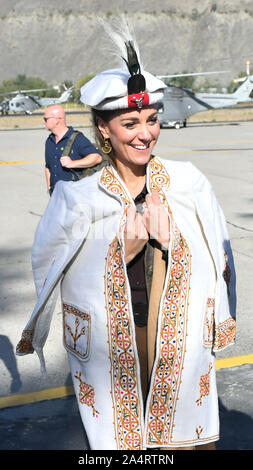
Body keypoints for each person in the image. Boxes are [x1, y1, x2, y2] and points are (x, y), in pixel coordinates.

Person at [16, 18, 236, 451]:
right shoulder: (76, 197)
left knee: (186, 439)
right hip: (110, 343)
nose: (145, 134)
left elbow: (219, 253)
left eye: (152, 120)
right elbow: (49, 260)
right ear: (103, 128)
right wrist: (119, 249)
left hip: (178, 335)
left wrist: (174, 242)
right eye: (130, 123)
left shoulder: (188, 182)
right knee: (122, 439)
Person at [44, 104, 102, 194]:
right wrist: (49, 188)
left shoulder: (77, 139)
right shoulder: (49, 141)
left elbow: (97, 157)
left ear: (56, 120)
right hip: (56, 195)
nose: (44, 122)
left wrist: (73, 163)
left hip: (75, 195)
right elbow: (48, 167)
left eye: (46, 119)